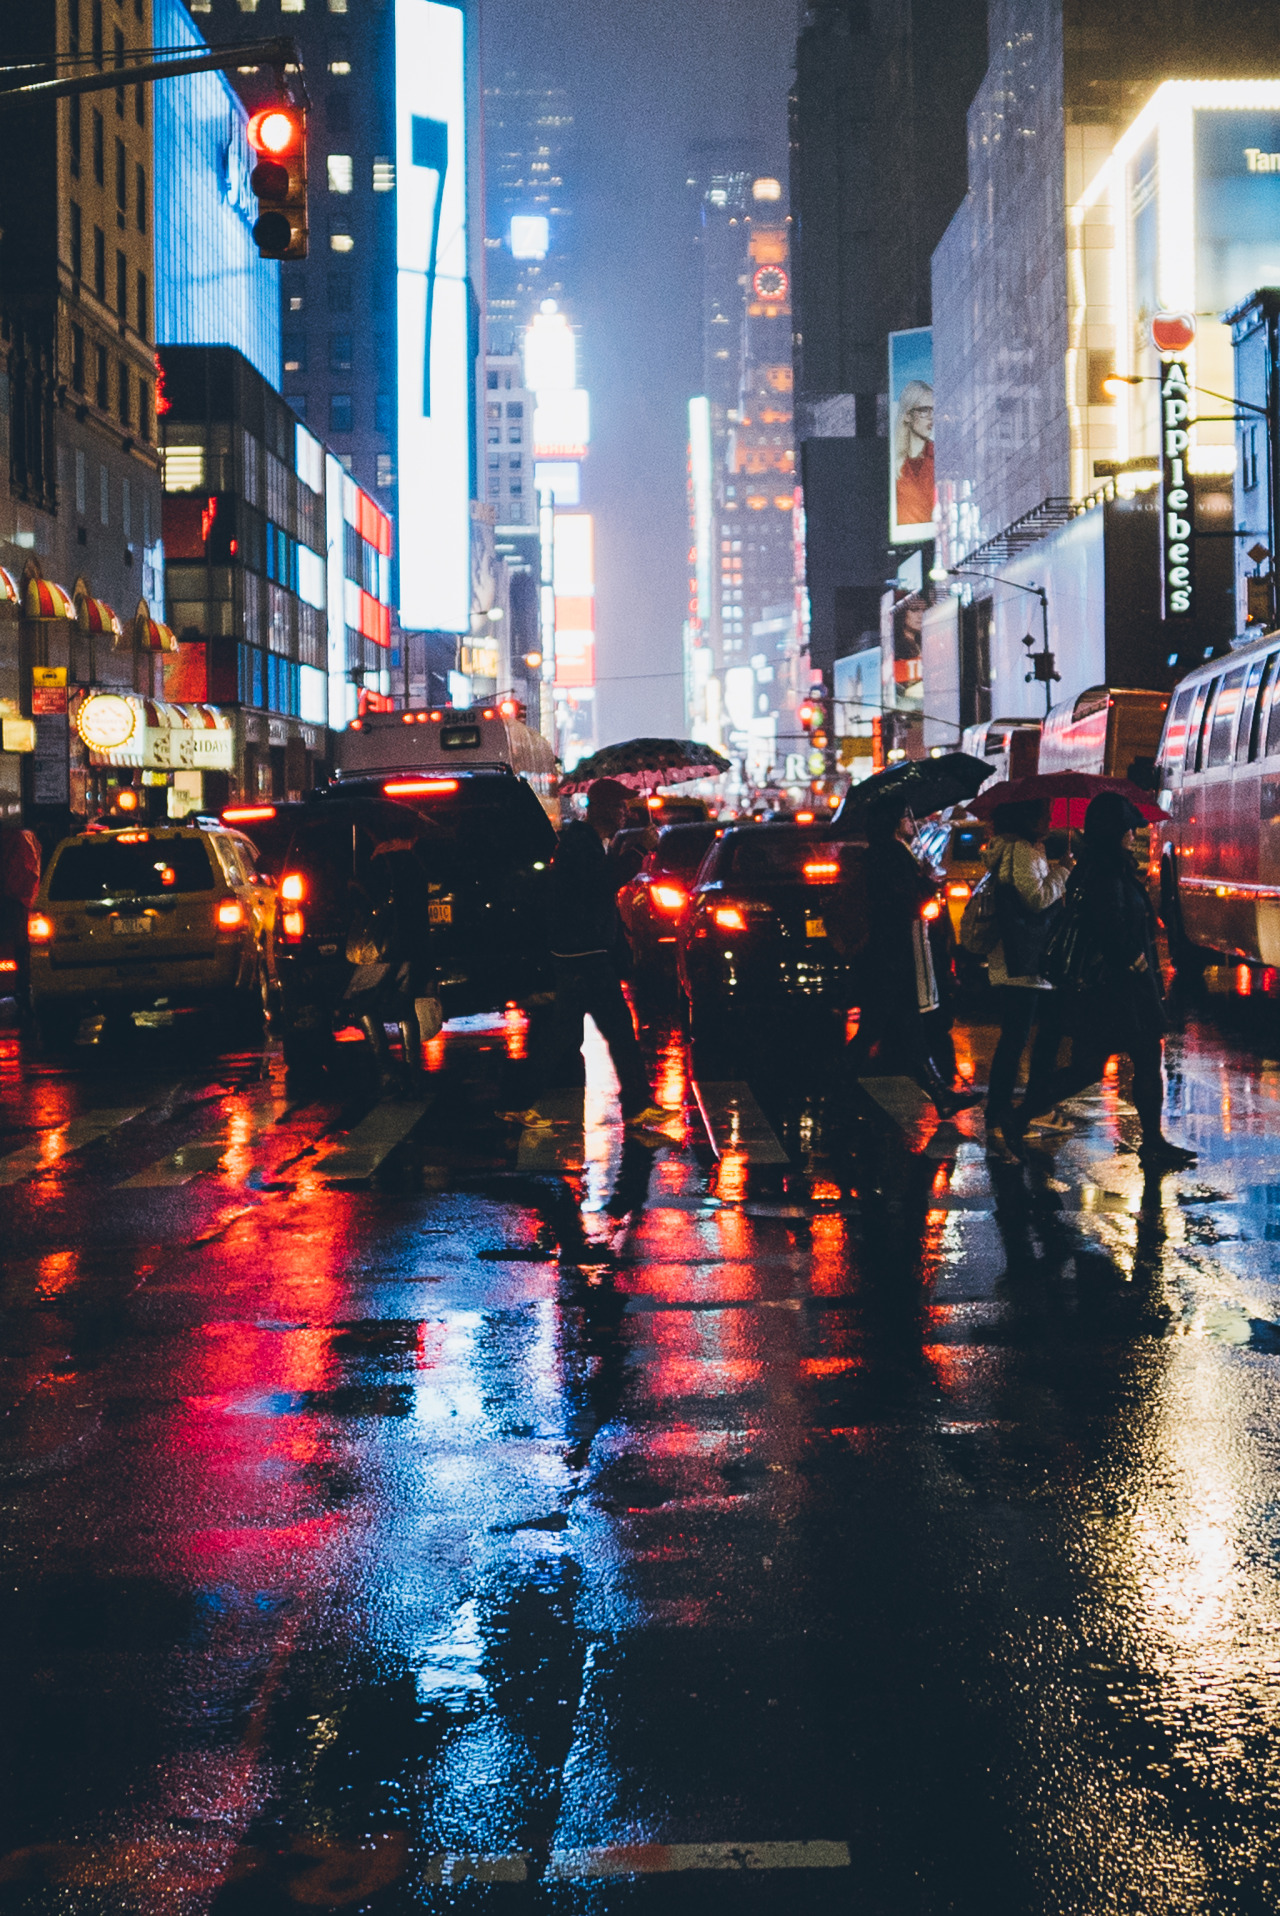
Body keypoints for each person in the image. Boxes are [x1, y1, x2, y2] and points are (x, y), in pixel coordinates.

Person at [1004, 791, 1197, 1169]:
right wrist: (1138, 962)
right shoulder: (1107, 870)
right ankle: (1019, 1117)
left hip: (1110, 989)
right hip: (1117, 990)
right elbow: (1111, 927)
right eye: (1128, 828)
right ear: (1115, 831)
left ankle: (1152, 1141)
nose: (1133, 834)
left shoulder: (1101, 865)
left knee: (1125, 1060)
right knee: (1100, 1064)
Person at [505, 778, 666, 1130]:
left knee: (565, 1034)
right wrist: (639, 851)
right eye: (621, 807)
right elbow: (599, 883)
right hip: (583, 955)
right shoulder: (579, 842)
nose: (626, 813)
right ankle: (638, 1105)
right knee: (617, 1032)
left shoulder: (588, 841)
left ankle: (521, 1102)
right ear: (604, 809)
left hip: (584, 952)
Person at [848, 799, 981, 1120]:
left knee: (905, 1026)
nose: (911, 819)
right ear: (894, 819)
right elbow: (904, 902)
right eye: (906, 814)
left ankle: (940, 1093)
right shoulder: (892, 854)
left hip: (888, 953)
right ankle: (837, 1083)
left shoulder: (883, 852)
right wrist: (926, 881)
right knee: (878, 1026)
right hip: (894, 953)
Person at [981, 799, 1070, 1161]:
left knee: (1025, 1037)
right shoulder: (1020, 851)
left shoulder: (1022, 850)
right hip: (1023, 958)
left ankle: (1027, 1107)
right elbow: (1035, 899)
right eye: (1042, 815)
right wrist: (1062, 872)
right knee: (1018, 1038)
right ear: (1027, 819)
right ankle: (1003, 1114)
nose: (1048, 820)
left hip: (1021, 958)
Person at [894, 379, 935, 529]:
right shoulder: (893, 460)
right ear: (907, 415)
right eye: (924, 410)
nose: (931, 416)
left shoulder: (939, 457)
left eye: (934, 410)